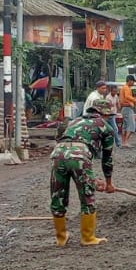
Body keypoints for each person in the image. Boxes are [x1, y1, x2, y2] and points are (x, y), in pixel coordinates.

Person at [48, 101, 118, 247]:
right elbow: (107, 159)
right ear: (104, 113)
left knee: (58, 196)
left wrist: (93, 179)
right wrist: (109, 183)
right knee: (87, 196)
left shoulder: (75, 120)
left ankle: (61, 238)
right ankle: (88, 238)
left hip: (58, 153)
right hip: (79, 155)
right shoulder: (106, 127)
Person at [118, 76, 136, 148]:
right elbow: (127, 97)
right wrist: (134, 100)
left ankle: (124, 142)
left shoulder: (124, 88)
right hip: (127, 108)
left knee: (125, 126)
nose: (133, 83)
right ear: (130, 81)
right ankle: (126, 142)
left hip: (124, 108)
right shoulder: (126, 87)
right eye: (133, 81)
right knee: (131, 125)